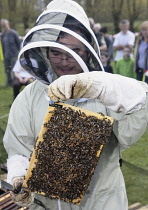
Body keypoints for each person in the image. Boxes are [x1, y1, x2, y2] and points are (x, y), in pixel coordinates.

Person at [3, 0, 148, 210]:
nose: (64, 61)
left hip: (103, 202)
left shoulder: (106, 90)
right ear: (44, 51)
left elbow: (139, 103)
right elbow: (19, 148)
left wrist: (98, 87)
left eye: (74, 51)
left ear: (88, 51)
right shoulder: (29, 98)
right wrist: (18, 174)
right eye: (56, 52)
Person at [0, 19, 20, 86]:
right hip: (6, 55)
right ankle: (9, 82)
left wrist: (17, 52)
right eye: (2, 25)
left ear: (8, 24)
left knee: (14, 69)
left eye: (4, 25)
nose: (4, 26)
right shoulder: (3, 35)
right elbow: (3, 46)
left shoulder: (13, 33)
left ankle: (15, 82)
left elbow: (18, 44)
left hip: (14, 55)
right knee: (7, 69)